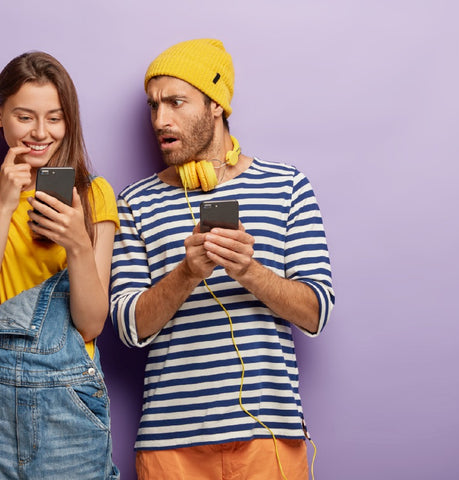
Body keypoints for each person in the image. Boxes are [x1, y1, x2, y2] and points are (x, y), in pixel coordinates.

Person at [110, 39, 335, 480]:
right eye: (153, 106)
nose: (161, 120)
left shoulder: (288, 186)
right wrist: (187, 273)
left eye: (176, 102)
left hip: (269, 440)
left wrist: (248, 270)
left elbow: (316, 313)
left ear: (217, 105)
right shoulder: (134, 202)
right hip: (169, 447)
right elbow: (129, 328)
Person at [0, 51, 119, 480]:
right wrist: (3, 206)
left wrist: (78, 243)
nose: (40, 133)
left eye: (55, 118)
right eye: (25, 117)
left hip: (70, 398)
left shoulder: (94, 196)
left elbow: (92, 323)